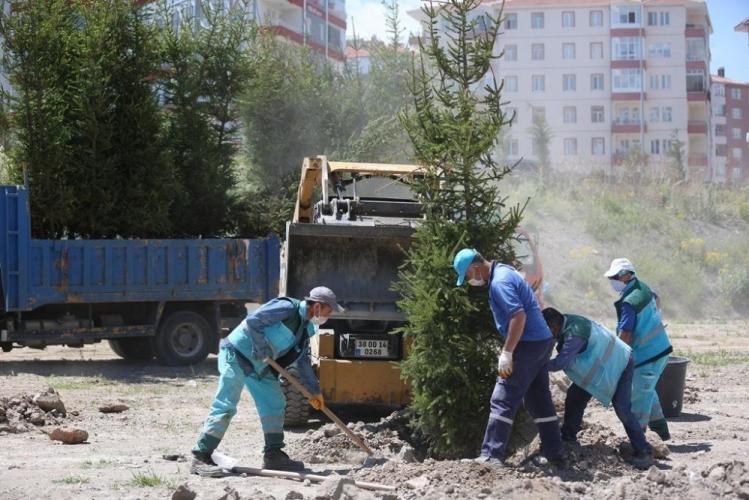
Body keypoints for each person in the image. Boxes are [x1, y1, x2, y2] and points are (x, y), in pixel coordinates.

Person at [190, 286, 344, 477]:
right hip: (237, 354)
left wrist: (315, 391)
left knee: (276, 403)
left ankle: (273, 455)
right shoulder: (287, 307)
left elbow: (303, 361)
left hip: (260, 366)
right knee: (227, 404)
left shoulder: (308, 330)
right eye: (329, 311)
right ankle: (201, 455)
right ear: (318, 306)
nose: (329, 316)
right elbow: (254, 321)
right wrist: (262, 349)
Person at [453, 248, 565, 467]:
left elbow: (518, 316)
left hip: (528, 344)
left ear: (475, 268)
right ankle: (555, 454)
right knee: (539, 400)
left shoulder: (499, 282)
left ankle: (491, 455)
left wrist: (507, 352)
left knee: (502, 397)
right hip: (541, 341)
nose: (469, 281)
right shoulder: (504, 271)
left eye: (466, 276)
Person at [541, 307, 654, 469]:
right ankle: (568, 438)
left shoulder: (575, 334)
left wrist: (536, 365)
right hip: (601, 368)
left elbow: (561, 362)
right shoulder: (567, 322)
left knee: (622, 409)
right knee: (575, 396)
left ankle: (644, 451)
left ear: (554, 327)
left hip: (620, 363)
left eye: (547, 331)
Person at [605, 258, 672, 441]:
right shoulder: (643, 288)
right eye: (611, 276)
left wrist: (617, 359)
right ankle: (662, 434)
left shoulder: (629, 301)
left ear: (627, 275)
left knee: (639, 398)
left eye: (615, 276)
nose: (613, 280)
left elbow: (625, 333)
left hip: (648, 355)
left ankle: (639, 443)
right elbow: (657, 299)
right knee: (648, 390)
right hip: (660, 350)